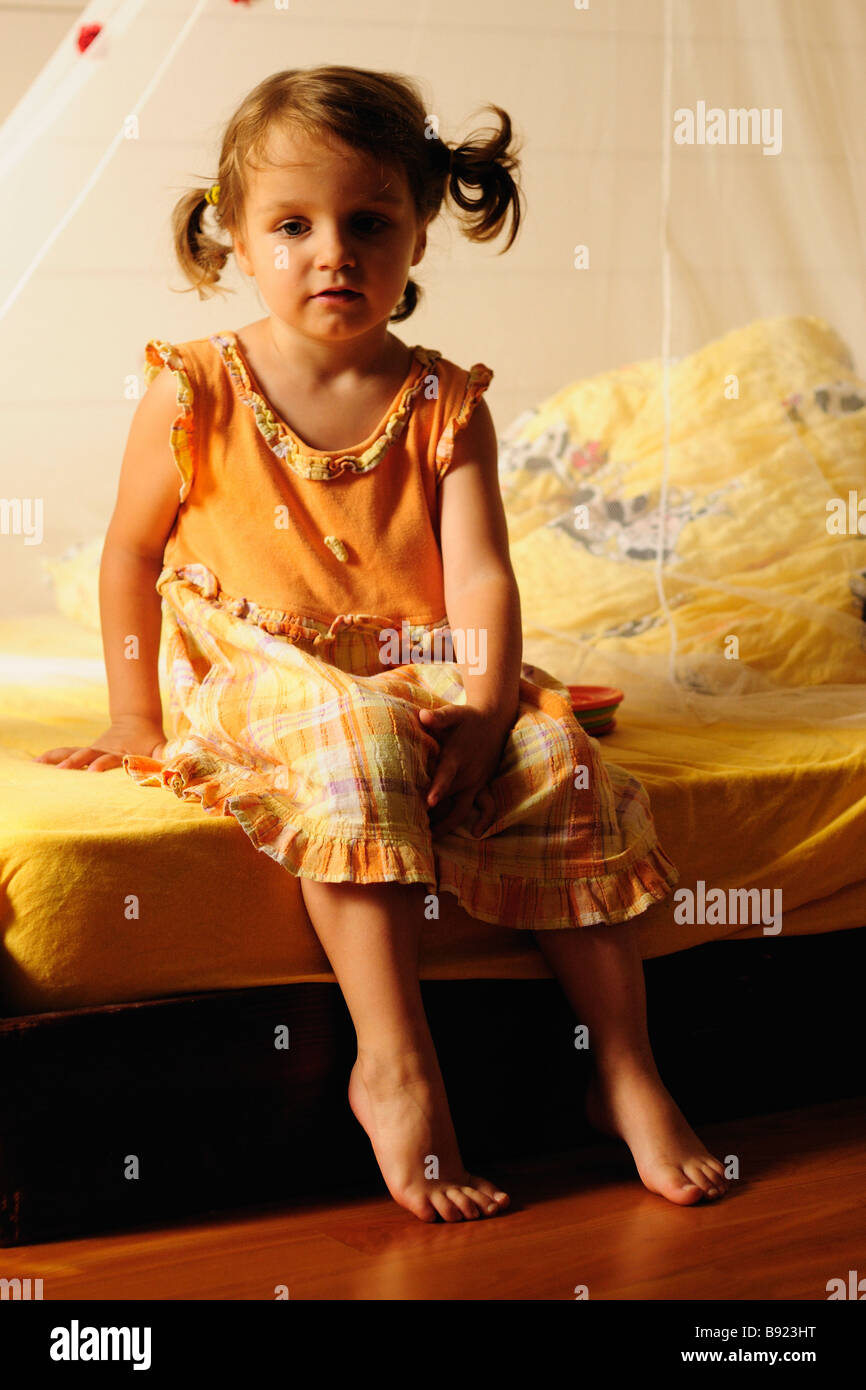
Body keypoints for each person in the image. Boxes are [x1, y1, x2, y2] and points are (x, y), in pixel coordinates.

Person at [34, 65, 728, 1223]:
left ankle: (623, 1066)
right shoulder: (194, 389)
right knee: (357, 747)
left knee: (566, 769)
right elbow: (126, 554)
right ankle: (393, 1061)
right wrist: (134, 718)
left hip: (415, 666)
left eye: (370, 224)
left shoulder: (445, 402)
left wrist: (491, 703)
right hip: (264, 669)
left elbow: (482, 575)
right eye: (292, 226)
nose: (333, 254)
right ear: (234, 240)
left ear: (416, 234)